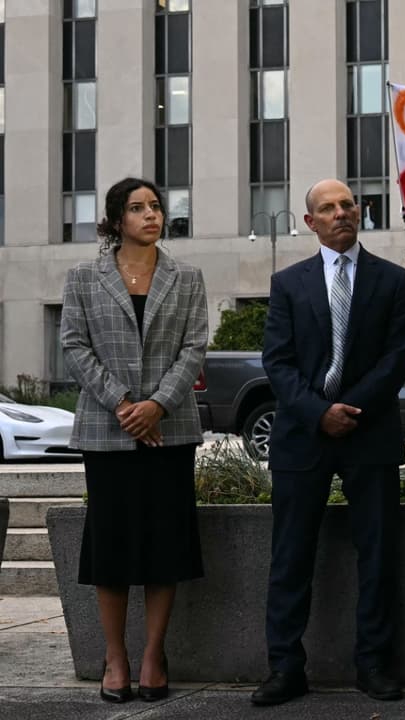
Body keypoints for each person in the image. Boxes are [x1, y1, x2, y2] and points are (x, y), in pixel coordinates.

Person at [252, 179, 405, 706]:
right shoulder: (288, 284)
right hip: (304, 436)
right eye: (329, 208)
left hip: (371, 435)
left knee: (378, 554)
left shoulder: (392, 280)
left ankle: (372, 664)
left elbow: (398, 357)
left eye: (348, 205)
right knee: (290, 555)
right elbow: (277, 361)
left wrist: (353, 411)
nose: (342, 213)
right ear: (311, 222)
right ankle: (285, 668)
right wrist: (320, 413)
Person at [60, 177, 209, 704]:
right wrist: (123, 403)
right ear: (116, 219)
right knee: (113, 543)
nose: (150, 215)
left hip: (169, 430)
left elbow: (195, 345)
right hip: (107, 430)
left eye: (155, 207)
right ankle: (115, 656)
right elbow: (73, 344)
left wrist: (156, 405)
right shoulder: (83, 277)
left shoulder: (186, 277)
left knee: (165, 541)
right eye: (137, 208)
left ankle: (152, 655)